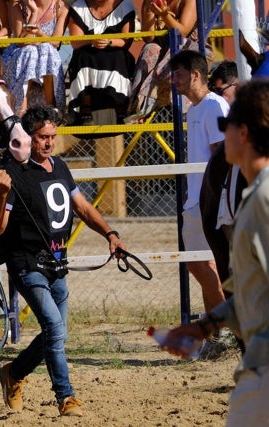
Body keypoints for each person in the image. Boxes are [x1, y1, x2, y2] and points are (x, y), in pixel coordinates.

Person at [0, 106, 126, 417]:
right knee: (54, 327)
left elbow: (84, 208)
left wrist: (110, 234)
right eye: (42, 138)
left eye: (52, 137)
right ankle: (66, 397)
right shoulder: (13, 175)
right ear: (28, 138)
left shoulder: (61, 168)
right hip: (27, 265)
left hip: (57, 264)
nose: (48, 143)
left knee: (56, 332)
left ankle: (14, 372)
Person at [160, 79, 269, 427]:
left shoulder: (264, 201)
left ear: (244, 134)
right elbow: (254, 289)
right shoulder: (254, 196)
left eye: (228, 127)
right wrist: (204, 326)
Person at [170, 50, 230, 357]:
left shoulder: (213, 105)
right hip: (196, 200)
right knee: (200, 265)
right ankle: (217, 335)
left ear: (196, 74)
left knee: (206, 266)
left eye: (179, 74)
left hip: (211, 200)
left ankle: (229, 328)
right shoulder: (193, 109)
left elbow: (223, 154)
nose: (174, 80)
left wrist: (215, 197)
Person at [125, 0, 199, 123]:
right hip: (162, 50)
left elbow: (182, 33)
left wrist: (164, 15)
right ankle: (137, 104)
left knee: (174, 51)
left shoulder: (189, 1)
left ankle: (147, 102)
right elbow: (149, 38)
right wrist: (149, 9)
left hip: (188, 48)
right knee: (150, 49)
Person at [66, 0, 136, 125]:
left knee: (118, 56)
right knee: (82, 57)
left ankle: (121, 108)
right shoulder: (79, 6)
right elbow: (75, 42)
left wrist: (109, 41)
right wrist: (91, 40)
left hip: (115, 51)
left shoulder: (125, 5)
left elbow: (127, 41)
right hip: (88, 51)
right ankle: (85, 109)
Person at [2, 0, 69, 114]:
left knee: (46, 48)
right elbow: (21, 42)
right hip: (19, 56)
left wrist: (40, 34)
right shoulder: (17, 6)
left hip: (44, 56)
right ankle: (21, 108)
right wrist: (34, 13)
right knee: (30, 51)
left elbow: (56, 42)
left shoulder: (61, 7)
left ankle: (50, 106)